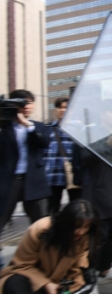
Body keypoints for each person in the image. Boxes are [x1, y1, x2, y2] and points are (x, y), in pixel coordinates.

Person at [79, 99, 112, 285]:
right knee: (97, 238)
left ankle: (106, 269)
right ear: (102, 114)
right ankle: (89, 276)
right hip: (98, 195)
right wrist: (107, 145)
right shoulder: (90, 132)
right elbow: (83, 158)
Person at [0, 199, 99, 294]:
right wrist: (46, 283)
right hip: (27, 279)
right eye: (77, 226)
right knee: (16, 283)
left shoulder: (84, 238)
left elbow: (76, 270)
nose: (81, 231)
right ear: (66, 222)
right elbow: (21, 265)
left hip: (55, 285)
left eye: (87, 226)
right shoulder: (40, 229)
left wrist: (76, 288)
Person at [0, 90, 51, 269]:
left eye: (29, 103)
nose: (26, 107)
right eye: (21, 104)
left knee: (41, 224)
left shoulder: (38, 126)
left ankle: (42, 263)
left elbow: (44, 143)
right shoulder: (3, 126)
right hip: (8, 181)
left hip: (33, 181)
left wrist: (27, 125)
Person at [43, 97, 81, 215]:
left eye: (66, 107)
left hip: (73, 175)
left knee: (75, 209)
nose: (63, 110)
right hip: (53, 176)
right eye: (60, 107)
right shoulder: (48, 129)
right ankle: (53, 232)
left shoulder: (79, 129)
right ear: (55, 110)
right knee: (52, 210)